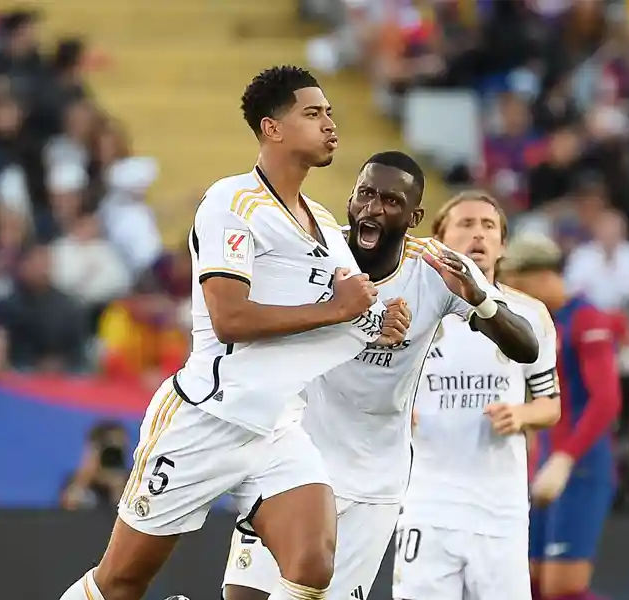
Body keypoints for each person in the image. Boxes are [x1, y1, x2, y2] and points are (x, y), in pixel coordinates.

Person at [56, 65, 410, 600]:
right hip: (205, 419)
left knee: (312, 564)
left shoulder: (319, 220)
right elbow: (230, 318)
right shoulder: (230, 202)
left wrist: (384, 324)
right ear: (272, 129)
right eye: (313, 114)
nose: (330, 125)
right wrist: (338, 309)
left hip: (276, 428)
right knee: (122, 582)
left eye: (331, 114)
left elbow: (351, 311)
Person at [222, 169, 541, 600]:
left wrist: (478, 297)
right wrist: (349, 315)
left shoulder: (437, 269)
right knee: (246, 595)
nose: (372, 208)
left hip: (375, 480)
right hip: (295, 456)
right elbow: (246, 324)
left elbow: (526, 347)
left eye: (390, 201)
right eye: (365, 194)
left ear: (414, 216)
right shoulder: (316, 253)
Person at [394, 192, 560, 600]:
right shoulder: (409, 310)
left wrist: (521, 416)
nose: (478, 234)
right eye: (465, 224)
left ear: (502, 245)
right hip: (427, 503)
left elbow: (550, 405)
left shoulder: (530, 316)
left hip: (499, 510)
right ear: (440, 238)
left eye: (489, 226)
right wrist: (398, 410)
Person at [498, 235, 623, 600]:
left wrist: (565, 459)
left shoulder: (587, 319)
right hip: (544, 464)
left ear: (540, 276)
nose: (515, 296)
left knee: (563, 589)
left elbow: (605, 400)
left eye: (518, 286)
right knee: (530, 585)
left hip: (580, 467)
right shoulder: (543, 323)